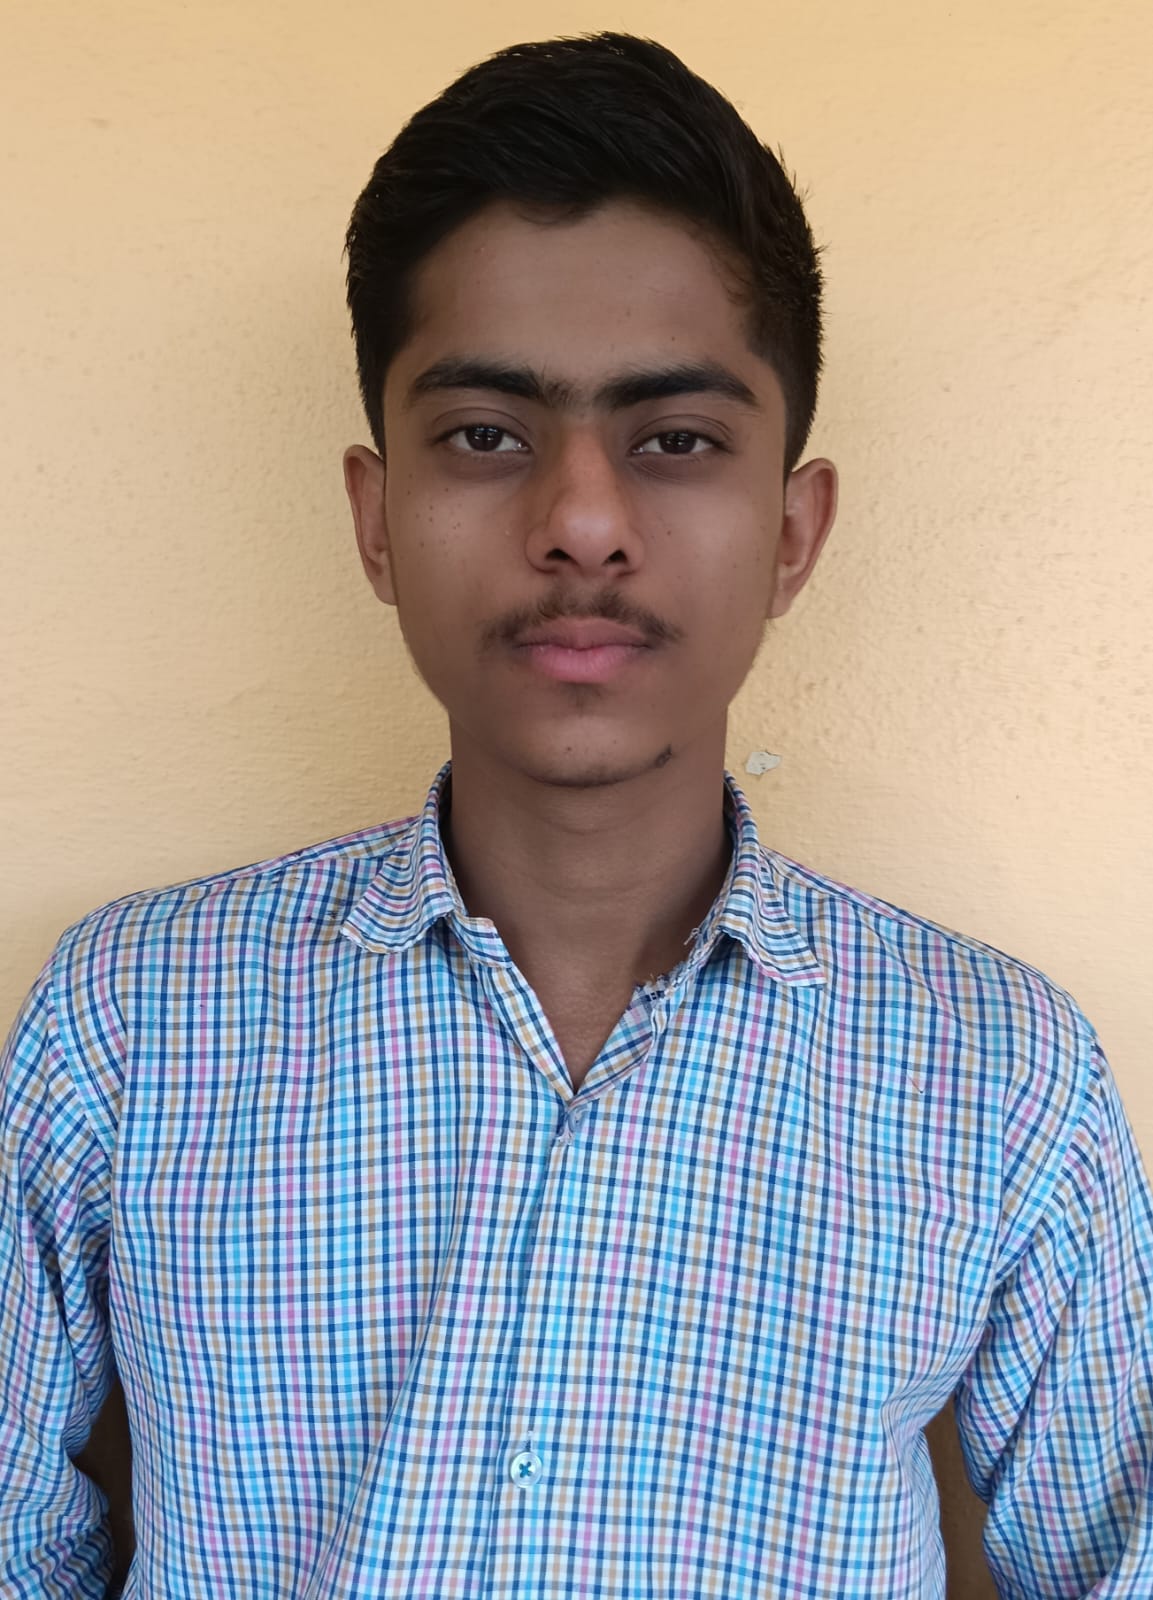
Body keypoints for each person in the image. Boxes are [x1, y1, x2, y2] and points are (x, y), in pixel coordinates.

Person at [1, 29, 1150, 1600]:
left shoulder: (999, 1080)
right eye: (486, 435)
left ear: (792, 531)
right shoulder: (133, 1024)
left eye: (675, 439)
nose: (584, 523)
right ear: (376, 518)